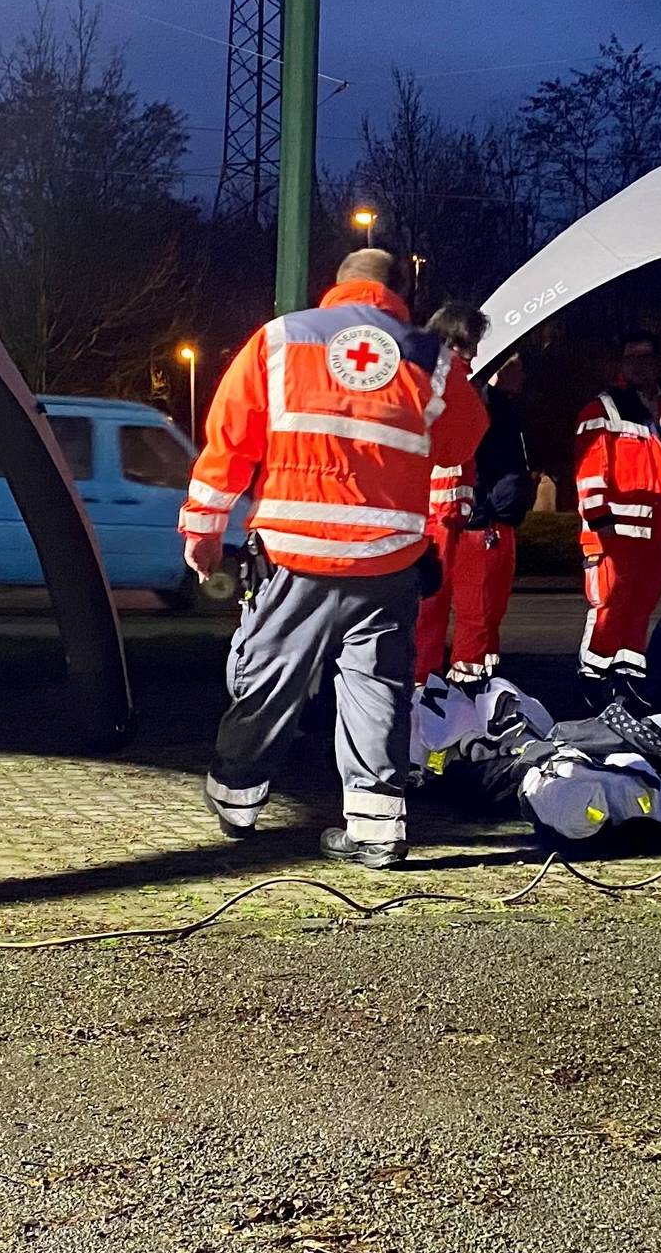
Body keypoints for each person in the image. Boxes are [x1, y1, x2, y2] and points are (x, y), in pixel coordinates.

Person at [179, 249, 488, 868]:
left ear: (339, 286)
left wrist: (204, 528)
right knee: (378, 689)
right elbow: (461, 440)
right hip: (389, 562)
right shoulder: (431, 357)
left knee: (270, 678)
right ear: (398, 291)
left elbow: (230, 438)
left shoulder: (281, 339)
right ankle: (377, 831)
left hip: (298, 553)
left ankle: (238, 803)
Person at [416, 308, 534, 684]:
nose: (469, 356)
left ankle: (450, 694)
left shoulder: (468, 391)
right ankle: (426, 691)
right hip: (435, 519)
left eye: (473, 347)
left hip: (458, 517)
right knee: (429, 614)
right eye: (462, 346)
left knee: (471, 616)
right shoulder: (429, 385)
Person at [575, 328, 661, 707]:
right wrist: (601, 524)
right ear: (620, 364)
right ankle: (592, 682)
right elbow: (590, 474)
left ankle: (626, 685)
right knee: (608, 610)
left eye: (646, 357)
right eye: (631, 358)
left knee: (638, 614)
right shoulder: (603, 410)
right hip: (614, 535)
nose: (640, 365)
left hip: (654, 537)